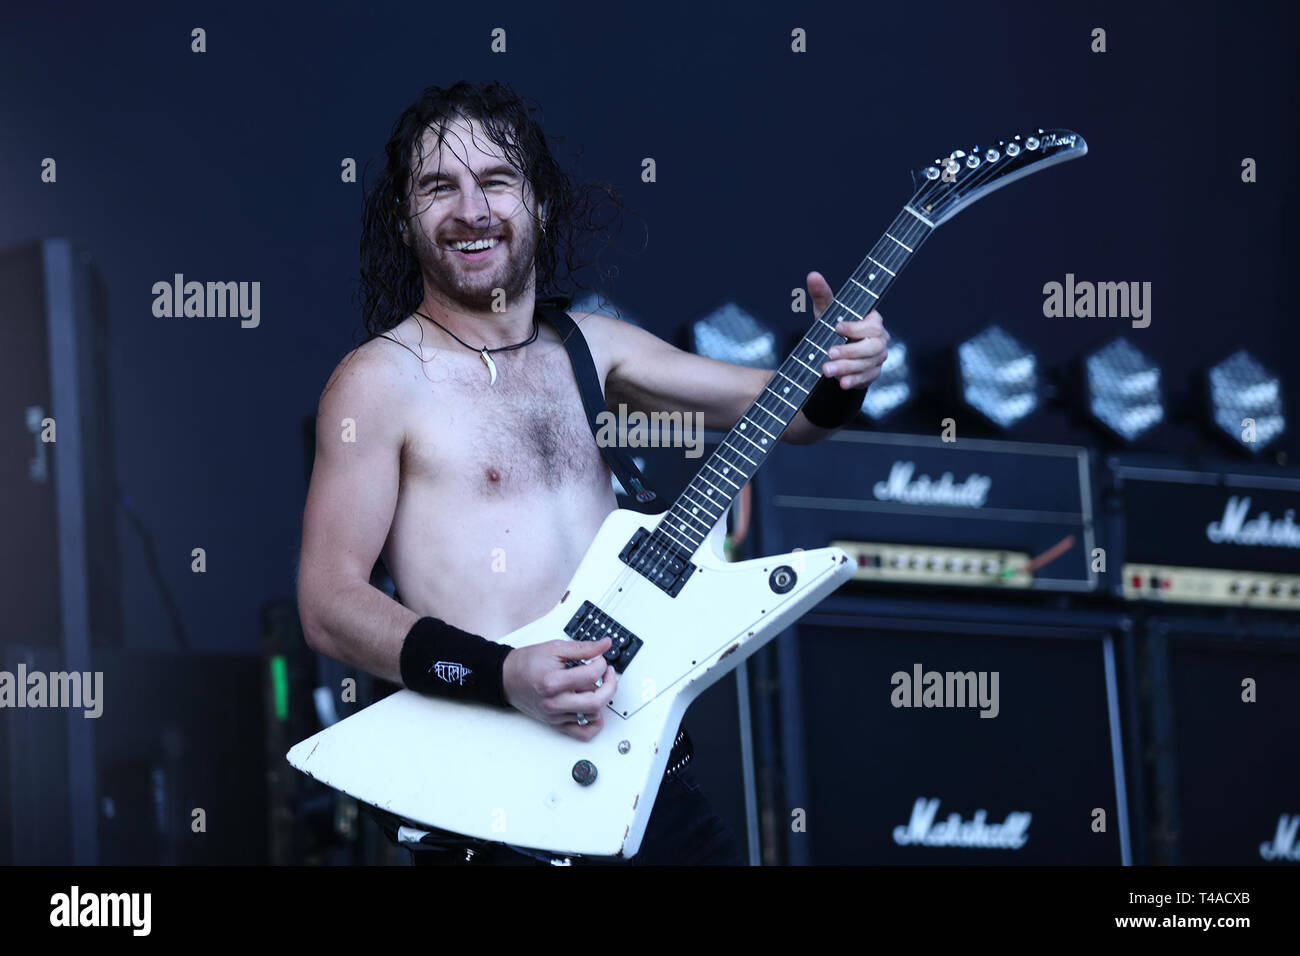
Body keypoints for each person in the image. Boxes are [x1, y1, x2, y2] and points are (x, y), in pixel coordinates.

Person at [296, 80, 890, 865]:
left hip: (634, 776)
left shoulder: (591, 348)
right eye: (439, 187)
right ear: (406, 223)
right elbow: (330, 605)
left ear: (539, 205)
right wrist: (504, 672)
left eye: (496, 182)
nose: (471, 210)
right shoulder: (379, 381)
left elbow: (794, 413)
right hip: (492, 797)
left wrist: (842, 368)